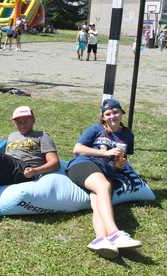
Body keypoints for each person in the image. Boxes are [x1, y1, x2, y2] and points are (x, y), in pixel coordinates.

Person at [65, 98, 142, 259]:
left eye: (115, 112)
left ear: (121, 113)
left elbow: (120, 162)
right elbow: (77, 149)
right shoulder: (96, 129)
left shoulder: (127, 135)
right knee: (103, 186)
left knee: (97, 201)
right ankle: (114, 233)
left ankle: (100, 239)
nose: (112, 116)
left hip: (106, 172)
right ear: (103, 117)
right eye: (108, 113)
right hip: (83, 165)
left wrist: (121, 163)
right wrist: (105, 153)